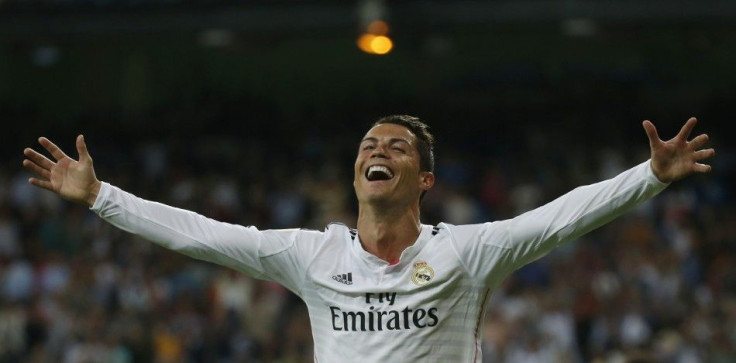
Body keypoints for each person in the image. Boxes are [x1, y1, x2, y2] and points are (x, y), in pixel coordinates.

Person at [22, 115, 714, 362]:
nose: (377, 150)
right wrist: (100, 196)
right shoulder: (312, 255)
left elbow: (563, 216)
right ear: (357, 170)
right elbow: (202, 236)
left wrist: (650, 177)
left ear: (425, 178)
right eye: (368, 143)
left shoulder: (464, 254)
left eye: (396, 146)